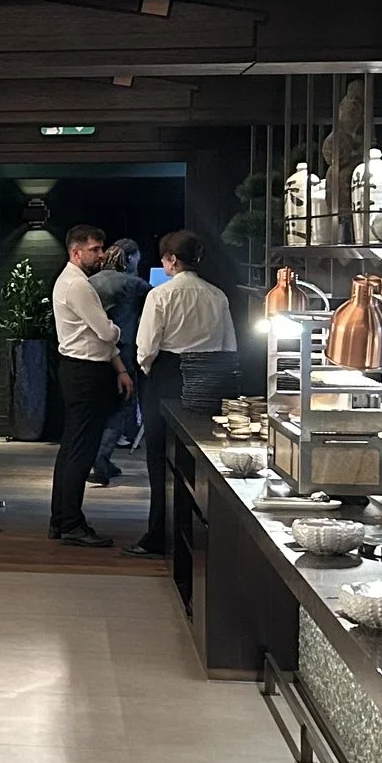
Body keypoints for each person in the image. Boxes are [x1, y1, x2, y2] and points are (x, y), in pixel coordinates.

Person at [127, 229, 238, 558]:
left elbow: (145, 347)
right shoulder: (217, 295)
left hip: (168, 375)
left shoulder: (160, 295)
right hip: (210, 379)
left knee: (160, 458)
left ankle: (158, 535)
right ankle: (202, 537)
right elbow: (229, 343)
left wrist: (147, 371)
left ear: (172, 260)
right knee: (201, 458)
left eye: (164, 258)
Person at [48, 225, 132, 547]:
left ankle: (63, 520)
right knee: (80, 451)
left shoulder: (76, 283)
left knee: (74, 448)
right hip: (85, 373)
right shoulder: (77, 286)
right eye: (95, 249)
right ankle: (70, 523)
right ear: (76, 251)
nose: (101, 255)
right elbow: (107, 333)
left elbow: (103, 340)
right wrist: (116, 329)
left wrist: (119, 367)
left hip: (83, 370)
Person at [89, 238, 145, 485]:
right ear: (131, 258)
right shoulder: (135, 285)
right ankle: (101, 457)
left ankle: (95, 457)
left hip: (92, 353)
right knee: (119, 408)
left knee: (96, 408)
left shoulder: (90, 282)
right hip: (124, 351)